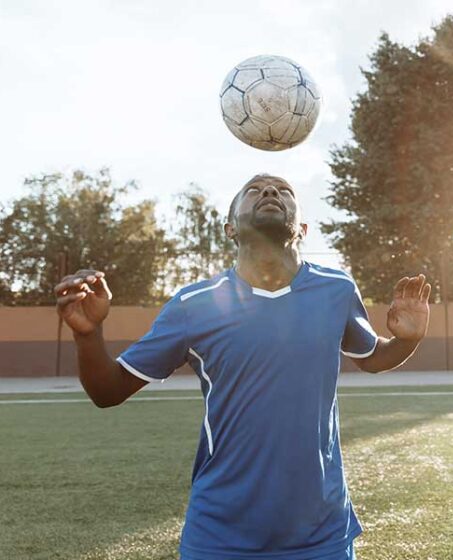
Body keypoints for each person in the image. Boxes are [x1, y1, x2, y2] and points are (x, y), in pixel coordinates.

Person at [54, 174, 431, 560]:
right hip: (219, 536)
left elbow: (372, 359)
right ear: (230, 228)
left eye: (285, 191)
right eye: (254, 191)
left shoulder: (337, 290)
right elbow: (108, 391)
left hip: (322, 533)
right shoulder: (194, 304)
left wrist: (406, 341)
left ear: (302, 228)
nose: (270, 192)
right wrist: (89, 334)